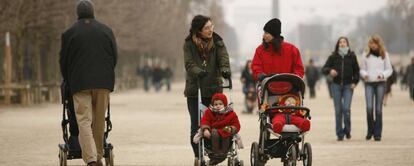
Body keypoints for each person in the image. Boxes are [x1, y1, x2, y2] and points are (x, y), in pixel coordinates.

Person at [59, 1, 117, 165]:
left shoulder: (69, 33)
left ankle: (91, 160)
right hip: (103, 82)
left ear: (78, 14)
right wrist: (106, 74)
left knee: (83, 121)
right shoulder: (106, 31)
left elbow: (63, 62)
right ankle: (98, 156)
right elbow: (114, 57)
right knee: (99, 121)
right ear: (93, 12)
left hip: (80, 83)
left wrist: (68, 80)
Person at [183, 15, 231, 165]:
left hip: (214, 90)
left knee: (216, 123)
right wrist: (198, 71)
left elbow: (224, 58)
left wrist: (224, 70)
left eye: (211, 26)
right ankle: (199, 155)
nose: (210, 30)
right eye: (206, 28)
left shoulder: (218, 41)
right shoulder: (188, 44)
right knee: (195, 126)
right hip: (195, 89)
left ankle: (216, 152)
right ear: (199, 30)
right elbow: (189, 64)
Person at [251, 18, 308, 134]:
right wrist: (260, 75)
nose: (264, 35)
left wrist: (295, 79)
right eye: (264, 32)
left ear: (275, 34)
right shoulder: (260, 50)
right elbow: (256, 66)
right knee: (267, 114)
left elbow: (299, 68)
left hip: (289, 91)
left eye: (267, 33)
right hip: (269, 89)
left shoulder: (292, 50)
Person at [322, 36, 360, 141]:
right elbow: (324, 69)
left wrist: (355, 82)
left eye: (344, 42)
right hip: (336, 85)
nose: (342, 44)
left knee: (346, 109)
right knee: (338, 110)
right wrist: (330, 71)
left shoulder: (352, 56)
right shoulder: (333, 56)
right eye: (340, 42)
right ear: (338, 45)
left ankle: (347, 130)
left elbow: (357, 71)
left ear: (347, 44)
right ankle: (339, 134)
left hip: (348, 86)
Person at [360, 34, 393, 141]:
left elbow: (389, 69)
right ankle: (370, 130)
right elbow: (362, 69)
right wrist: (364, 74)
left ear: (379, 44)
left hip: (380, 83)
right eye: (372, 43)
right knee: (369, 108)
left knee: (378, 109)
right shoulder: (365, 55)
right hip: (369, 83)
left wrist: (383, 75)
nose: (373, 45)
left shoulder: (384, 55)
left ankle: (378, 133)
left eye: (375, 43)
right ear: (369, 44)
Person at [199, 93, 240, 165]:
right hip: (213, 134)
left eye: (220, 104)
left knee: (226, 132)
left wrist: (231, 128)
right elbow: (205, 121)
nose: (218, 106)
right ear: (213, 105)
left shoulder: (230, 113)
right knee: (214, 132)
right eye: (216, 104)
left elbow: (236, 124)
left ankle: (223, 153)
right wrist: (205, 129)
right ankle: (216, 153)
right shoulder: (209, 112)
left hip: (226, 132)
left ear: (225, 104)